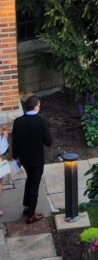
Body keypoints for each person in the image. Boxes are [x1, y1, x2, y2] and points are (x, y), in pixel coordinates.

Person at [12, 95, 52, 224]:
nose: (39, 107)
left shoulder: (18, 121)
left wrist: (16, 158)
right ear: (35, 106)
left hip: (24, 159)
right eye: (39, 105)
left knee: (30, 180)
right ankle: (30, 215)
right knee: (34, 185)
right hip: (36, 160)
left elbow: (15, 142)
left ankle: (27, 205)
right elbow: (48, 142)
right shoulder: (40, 121)